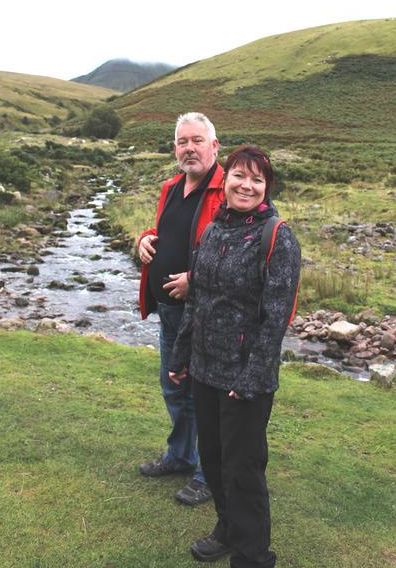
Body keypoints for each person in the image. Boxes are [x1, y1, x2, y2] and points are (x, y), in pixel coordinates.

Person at [169, 145, 301, 567]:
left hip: (246, 378)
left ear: (266, 188)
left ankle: (252, 554)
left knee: (243, 472)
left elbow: (276, 317)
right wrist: (181, 355)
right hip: (205, 370)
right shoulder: (212, 230)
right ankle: (227, 529)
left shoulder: (277, 236)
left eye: (257, 179)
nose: (247, 185)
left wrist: (252, 380)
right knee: (215, 460)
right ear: (224, 181)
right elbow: (197, 299)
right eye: (239, 176)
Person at [137, 112, 224, 506]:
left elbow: (240, 252)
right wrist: (142, 241)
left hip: (205, 314)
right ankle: (180, 455)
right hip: (169, 313)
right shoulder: (171, 187)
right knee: (174, 389)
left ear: (214, 146)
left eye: (197, 140)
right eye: (182, 142)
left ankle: (210, 473)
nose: (189, 148)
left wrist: (197, 278)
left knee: (205, 395)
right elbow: (164, 233)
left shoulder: (229, 191)